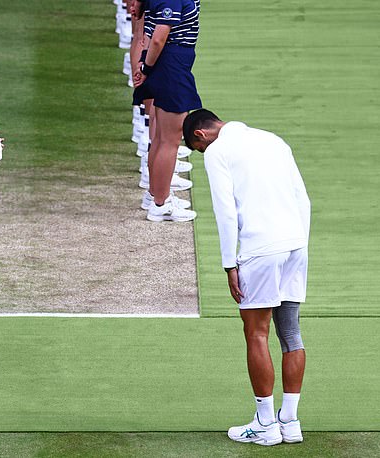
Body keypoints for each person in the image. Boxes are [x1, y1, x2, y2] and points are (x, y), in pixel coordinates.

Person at [183, 109, 311, 446]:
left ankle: (266, 425)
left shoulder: (217, 151)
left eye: (198, 150)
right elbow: (304, 200)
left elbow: (225, 212)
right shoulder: (274, 140)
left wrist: (230, 265)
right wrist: (298, 246)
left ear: (201, 135)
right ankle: (290, 421)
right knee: (291, 333)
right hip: (296, 245)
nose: (202, 154)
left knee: (256, 333)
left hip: (261, 250)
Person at [132, 0, 201, 222]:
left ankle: (155, 195)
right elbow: (158, 38)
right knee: (169, 141)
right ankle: (161, 204)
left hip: (169, 65)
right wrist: (146, 68)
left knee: (161, 138)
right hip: (171, 67)